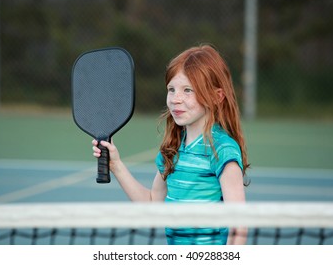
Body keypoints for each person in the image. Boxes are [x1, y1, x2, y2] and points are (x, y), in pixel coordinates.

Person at [92, 44, 249, 245]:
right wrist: (116, 165)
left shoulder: (223, 150)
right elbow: (152, 205)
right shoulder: (172, 149)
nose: (176, 99)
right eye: (171, 89)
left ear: (217, 96)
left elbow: (239, 225)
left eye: (188, 90)